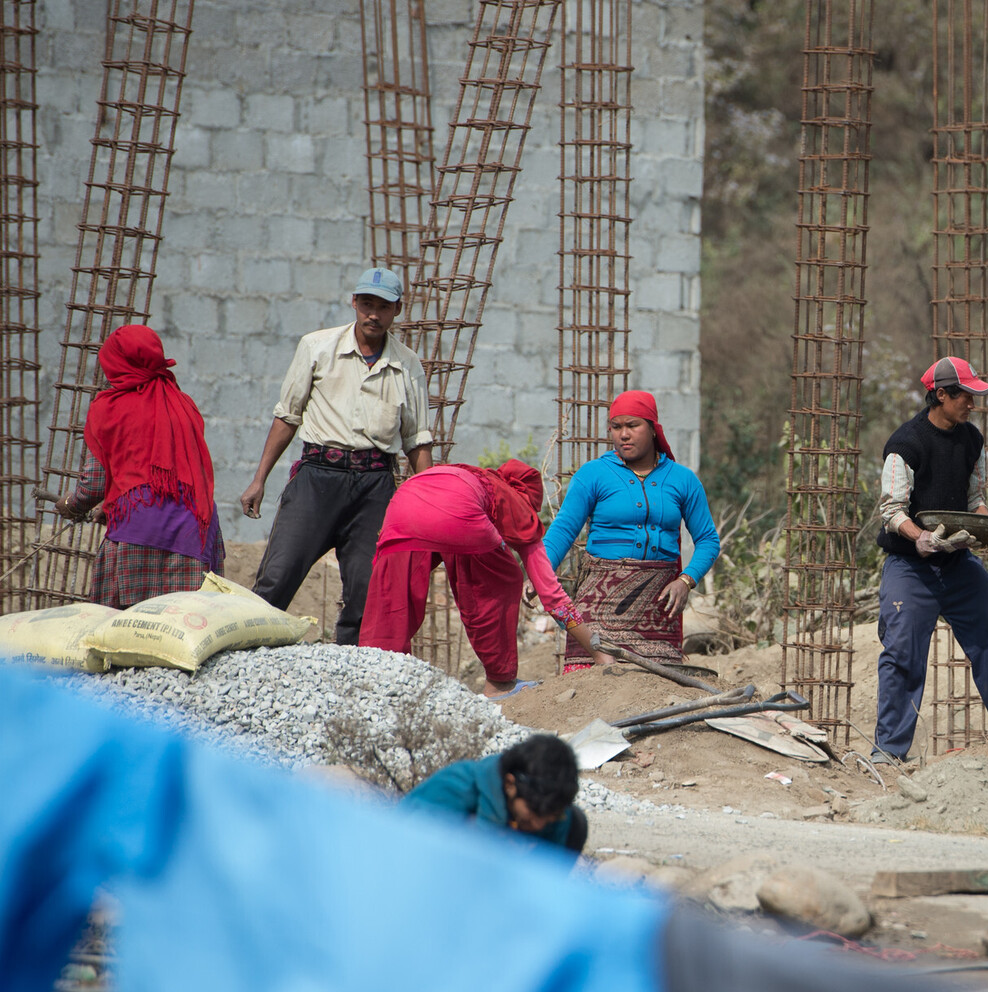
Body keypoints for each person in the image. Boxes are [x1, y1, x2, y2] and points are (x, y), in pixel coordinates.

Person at [240, 267, 434, 644]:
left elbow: (417, 441)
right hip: (317, 478)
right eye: (366, 304)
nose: (373, 314)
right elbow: (287, 416)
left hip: (375, 485)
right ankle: (246, 653)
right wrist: (259, 479)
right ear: (354, 304)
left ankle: (348, 666)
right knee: (279, 574)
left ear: (397, 311)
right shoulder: (316, 347)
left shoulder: (408, 365)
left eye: (383, 307)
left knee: (367, 587)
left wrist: (425, 505)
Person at [872, 357, 988, 764]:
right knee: (902, 651)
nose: (972, 403)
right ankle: (889, 753)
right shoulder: (905, 444)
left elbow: (973, 500)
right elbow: (891, 510)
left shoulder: (970, 441)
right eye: (965, 395)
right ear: (941, 395)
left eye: (975, 396)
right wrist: (920, 538)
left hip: (957, 564)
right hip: (911, 566)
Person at [359, 460, 614, 698]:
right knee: (505, 578)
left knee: (392, 592)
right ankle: (499, 683)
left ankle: (377, 677)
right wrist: (597, 652)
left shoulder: (475, 479)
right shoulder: (514, 502)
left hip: (403, 501)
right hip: (458, 510)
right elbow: (551, 593)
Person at [543, 390, 720, 669]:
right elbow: (563, 530)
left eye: (632, 425)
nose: (623, 434)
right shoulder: (593, 475)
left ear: (652, 429)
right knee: (592, 686)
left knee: (655, 693)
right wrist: (539, 574)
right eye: (616, 427)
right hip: (598, 607)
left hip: (660, 609)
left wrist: (686, 581)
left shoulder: (683, 480)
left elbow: (708, 540)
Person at [55, 325, 224, 607]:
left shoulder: (108, 408)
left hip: (139, 535)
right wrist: (110, 506)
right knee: (184, 625)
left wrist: (72, 504)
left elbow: (94, 484)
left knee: (125, 628)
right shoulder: (183, 403)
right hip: (194, 534)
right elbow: (169, 477)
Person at [400, 734, 588, 859]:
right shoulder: (454, 789)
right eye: (534, 812)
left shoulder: (560, 820)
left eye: (551, 817)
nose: (539, 825)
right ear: (510, 784)